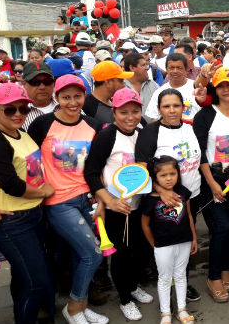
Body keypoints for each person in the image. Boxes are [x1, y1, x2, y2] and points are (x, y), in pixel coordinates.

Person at [27, 75, 106, 324]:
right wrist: (39, 190)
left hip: (86, 198)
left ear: (84, 96)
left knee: (79, 254)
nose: (72, 102)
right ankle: (73, 307)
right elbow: (30, 161)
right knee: (93, 253)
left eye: (77, 96)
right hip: (58, 202)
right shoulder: (42, 124)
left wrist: (100, 199)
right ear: (57, 98)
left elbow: (95, 166)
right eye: (66, 97)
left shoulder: (92, 125)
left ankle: (81, 306)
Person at [0, 83, 55, 324]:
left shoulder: (21, 133)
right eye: (10, 109)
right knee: (36, 282)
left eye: (23, 109)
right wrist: (44, 192)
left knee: (24, 277)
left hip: (34, 216)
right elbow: (11, 184)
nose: (18, 115)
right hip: (12, 222)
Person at [84, 88, 153, 321]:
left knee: (136, 252)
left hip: (138, 204)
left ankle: (133, 286)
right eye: (124, 112)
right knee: (121, 255)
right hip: (116, 208)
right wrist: (108, 201)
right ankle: (124, 298)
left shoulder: (143, 132)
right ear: (114, 111)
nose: (130, 117)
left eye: (135, 111)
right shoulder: (107, 136)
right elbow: (91, 172)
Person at [135, 88, 202, 303]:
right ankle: (168, 285)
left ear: (183, 107)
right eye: (166, 106)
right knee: (165, 244)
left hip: (191, 194)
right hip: (164, 200)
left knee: (184, 241)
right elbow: (142, 168)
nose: (172, 110)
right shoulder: (151, 132)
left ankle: (182, 281)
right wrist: (162, 191)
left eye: (176, 105)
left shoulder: (190, 128)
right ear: (159, 109)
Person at [192, 67, 229, 303]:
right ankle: (213, 276)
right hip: (211, 178)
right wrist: (212, 183)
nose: (226, 89)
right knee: (221, 226)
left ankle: (224, 265)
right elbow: (199, 152)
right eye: (221, 85)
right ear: (215, 88)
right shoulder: (205, 115)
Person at [141, 156, 196, 324]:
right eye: (163, 175)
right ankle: (165, 313)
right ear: (155, 178)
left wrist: (193, 237)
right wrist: (154, 245)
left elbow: (189, 216)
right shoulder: (150, 199)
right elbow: (145, 225)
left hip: (184, 241)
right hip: (162, 246)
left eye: (172, 173)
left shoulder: (183, 193)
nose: (169, 178)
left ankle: (181, 309)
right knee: (165, 278)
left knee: (180, 276)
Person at [145, 53, 201, 123]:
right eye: (171, 68)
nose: (175, 71)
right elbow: (154, 118)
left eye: (179, 68)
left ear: (186, 69)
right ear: (167, 69)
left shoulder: (196, 87)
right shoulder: (159, 92)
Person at [83, 61, 133, 125]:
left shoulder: (115, 101)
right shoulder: (86, 105)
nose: (124, 85)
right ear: (108, 82)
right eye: (121, 81)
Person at [21, 61, 58, 130]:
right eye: (35, 82)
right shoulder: (14, 112)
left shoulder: (67, 104)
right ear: (23, 83)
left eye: (47, 81)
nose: (42, 87)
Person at [123, 53, 159, 123]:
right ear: (132, 68)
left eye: (146, 64)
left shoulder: (153, 85)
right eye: (143, 65)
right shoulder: (120, 86)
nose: (147, 68)